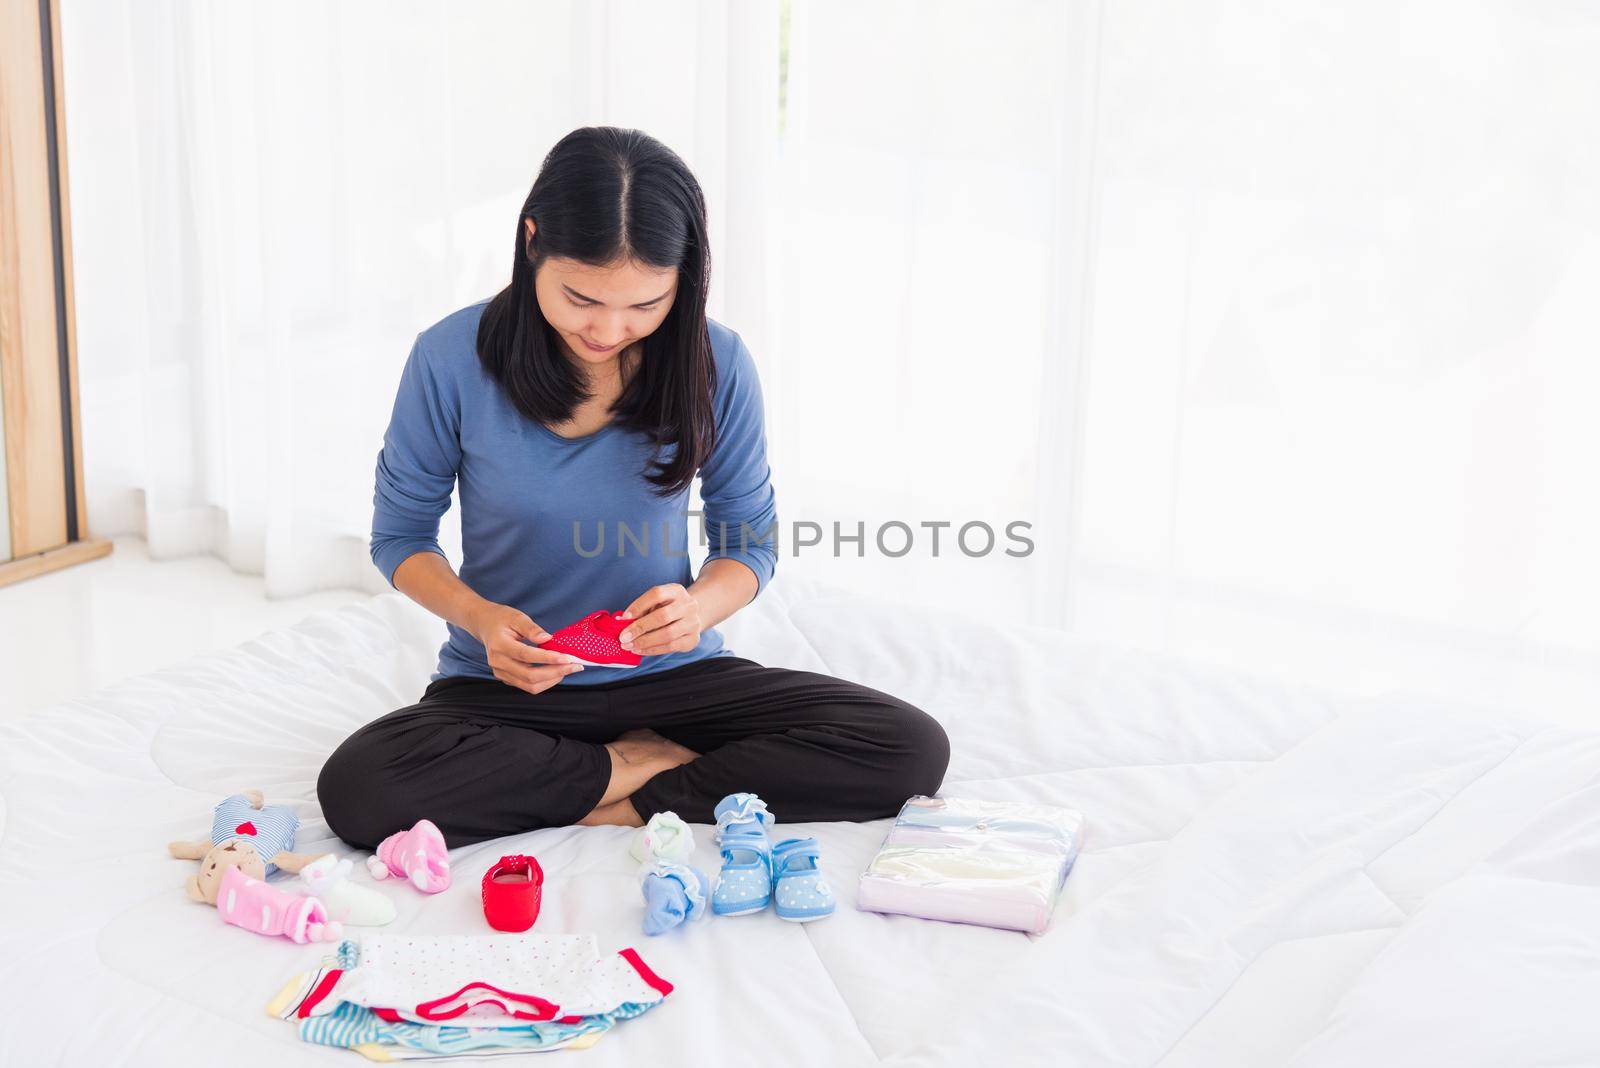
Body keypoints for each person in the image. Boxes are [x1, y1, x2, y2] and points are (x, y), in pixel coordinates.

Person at [317, 127, 949, 850]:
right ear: (531, 242)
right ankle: (629, 764)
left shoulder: (717, 360)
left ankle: (614, 800)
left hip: (672, 677)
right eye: (582, 297)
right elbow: (401, 538)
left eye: (646, 305)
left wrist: (698, 607)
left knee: (909, 747)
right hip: (510, 689)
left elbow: (749, 542)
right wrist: (481, 618)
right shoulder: (449, 357)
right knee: (360, 790)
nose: (609, 329)